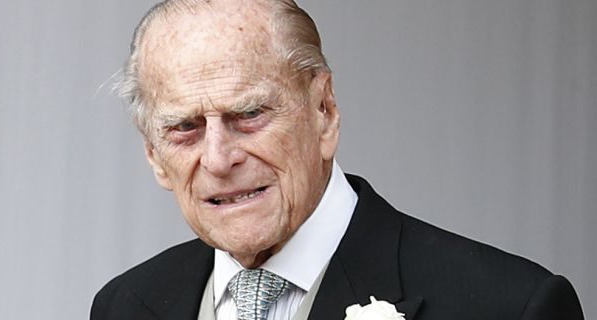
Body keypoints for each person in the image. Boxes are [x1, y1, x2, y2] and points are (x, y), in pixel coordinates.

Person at [91, 0, 584, 319]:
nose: (218, 159)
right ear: (153, 154)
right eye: (185, 128)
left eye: (249, 114)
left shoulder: (512, 307)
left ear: (324, 112)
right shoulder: (123, 307)